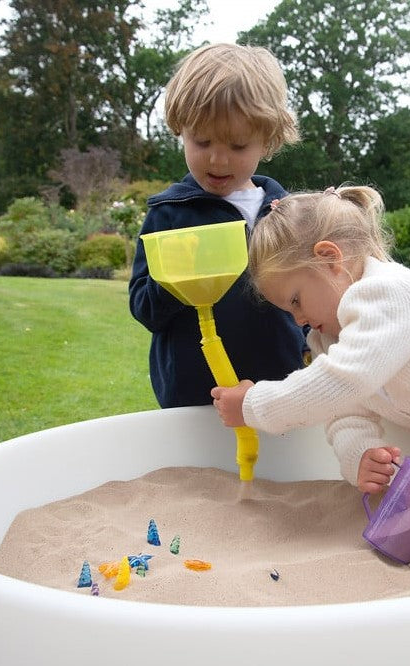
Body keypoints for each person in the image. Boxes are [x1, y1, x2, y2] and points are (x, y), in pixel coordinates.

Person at [210, 185, 410, 493]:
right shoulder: (329, 338)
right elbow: (346, 412)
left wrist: (254, 405)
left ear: (329, 259)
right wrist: (360, 455)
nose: (298, 320)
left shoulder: (388, 294)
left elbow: (341, 383)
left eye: (296, 300)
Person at [129, 43, 307, 408]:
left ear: (268, 141)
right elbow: (144, 308)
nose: (218, 158)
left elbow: (312, 296)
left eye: (238, 145)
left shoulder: (288, 213)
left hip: (278, 391)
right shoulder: (169, 214)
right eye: (202, 140)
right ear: (181, 130)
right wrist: (173, 278)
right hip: (195, 399)